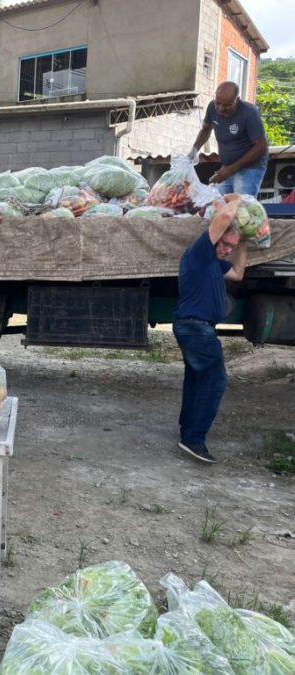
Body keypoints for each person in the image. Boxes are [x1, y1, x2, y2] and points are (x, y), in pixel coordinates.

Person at [173, 195, 247, 464]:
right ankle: (194, 440)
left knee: (197, 380)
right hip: (196, 329)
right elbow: (225, 218)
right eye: (225, 244)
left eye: (231, 246)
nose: (227, 250)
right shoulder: (201, 252)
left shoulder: (215, 264)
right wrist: (237, 200)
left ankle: (187, 432)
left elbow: (238, 274)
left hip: (197, 328)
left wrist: (244, 243)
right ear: (215, 238)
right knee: (214, 382)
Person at [189, 81, 269, 197]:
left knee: (241, 206)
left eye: (227, 105)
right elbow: (206, 130)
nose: (220, 109)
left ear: (237, 100)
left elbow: (261, 146)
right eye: (218, 103)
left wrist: (231, 169)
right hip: (227, 167)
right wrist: (193, 151)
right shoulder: (212, 107)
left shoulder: (249, 113)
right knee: (218, 204)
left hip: (250, 168)